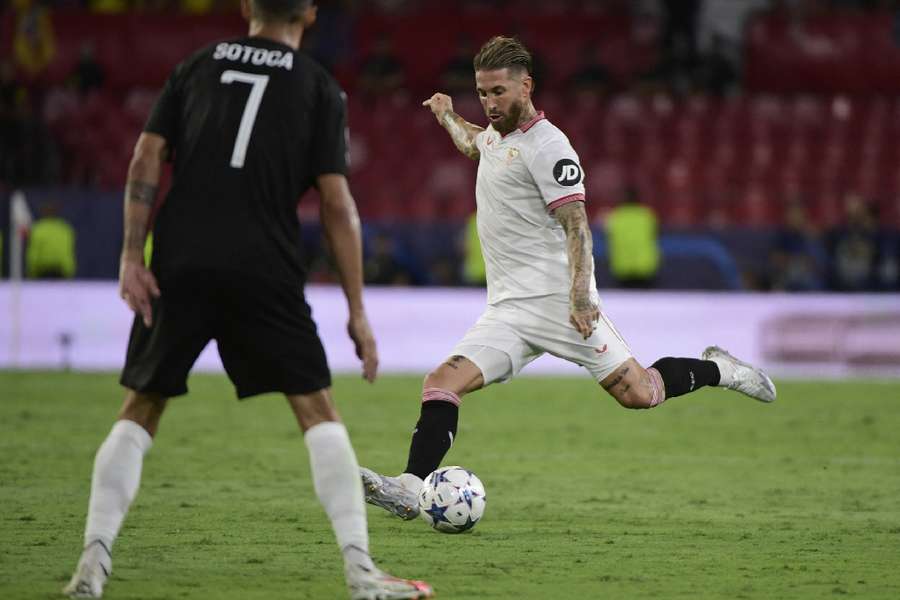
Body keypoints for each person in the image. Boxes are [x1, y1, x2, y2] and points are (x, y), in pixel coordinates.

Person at [62, 2, 433, 599]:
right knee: (317, 411)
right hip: (265, 261)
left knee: (141, 407)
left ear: (245, 6)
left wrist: (132, 255)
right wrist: (358, 311)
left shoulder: (196, 66)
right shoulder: (317, 87)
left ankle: (92, 565)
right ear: (310, 13)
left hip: (180, 254)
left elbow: (145, 157)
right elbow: (338, 205)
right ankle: (362, 574)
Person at [359, 36, 776, 521]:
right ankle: (411, 489)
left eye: (498, 92)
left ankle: (720, 369)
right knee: (441, 382)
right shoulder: (496, 134)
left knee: (639, 394)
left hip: (561, 304)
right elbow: (476, 145)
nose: (490, 103)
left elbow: (576, 222)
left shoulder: (549, 146)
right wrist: (447, 114)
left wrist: (580, 297)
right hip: (508, 311)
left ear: (526, 86)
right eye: (483, 92)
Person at [604, 186, 659, 288]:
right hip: (645, 266)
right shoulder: (647, 215)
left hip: (622, 267)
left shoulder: (614, 217)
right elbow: (655, 235)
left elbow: (608, 236)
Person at [26, 202, 77, 279]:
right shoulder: (65, 229)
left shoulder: (38, 229)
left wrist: (31, 270)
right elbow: (68, 252)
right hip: (59, 271)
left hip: (42, 270)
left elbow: (33, 252)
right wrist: (69, 270)